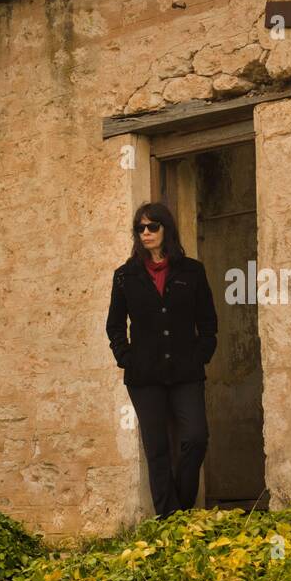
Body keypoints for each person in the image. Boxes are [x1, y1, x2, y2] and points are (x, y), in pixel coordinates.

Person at [105, 202, 218, 520]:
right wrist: (126, 357)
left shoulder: (192, 271)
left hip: (186, 372)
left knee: (196, 438)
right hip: (144, 376)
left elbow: (208, 321)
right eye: (140, 228)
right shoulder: (125, 277)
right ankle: (170, 520)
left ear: (165, 229)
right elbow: (115, 325)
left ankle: (181, 506)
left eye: (152, 227)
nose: (145, 233)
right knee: (156, 449)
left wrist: (201, 355)